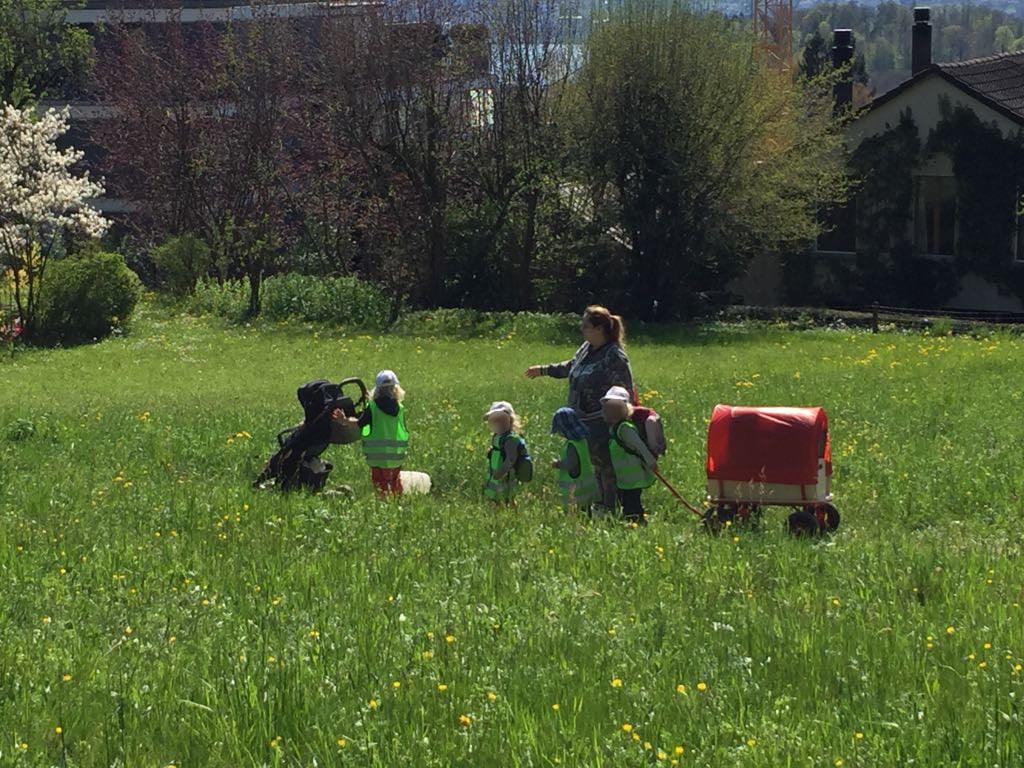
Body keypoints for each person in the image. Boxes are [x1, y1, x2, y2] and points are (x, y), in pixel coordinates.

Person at [525, 305, 635, 510]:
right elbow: (570, 367)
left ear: (599, 328)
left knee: (605, 467)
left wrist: (622, 420)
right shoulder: (586, 348)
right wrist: (543, 370)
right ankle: (592, 504)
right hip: (581, 420)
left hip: (602, 422)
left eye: (585, 326)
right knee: (590, 466)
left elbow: (627, 390)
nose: (581, 329)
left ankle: (611, 507)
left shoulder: (614, 356)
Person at [336, 370, 409, 497]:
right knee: (395, 482)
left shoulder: (373, 407)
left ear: (377, 389)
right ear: (396, 388)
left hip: (378, 457)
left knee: (380, 484)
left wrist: (344, 420)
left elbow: (359, 423)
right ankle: (397, 503)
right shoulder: (400, 408)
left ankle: (383, 503)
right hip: (396, 456)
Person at [601, 386, 656, 524]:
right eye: (609, 407)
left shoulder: (625, 429)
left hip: (633, 476)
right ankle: (631, 521)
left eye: (616, 407)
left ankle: (637, 522)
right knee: (626, 501)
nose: (611, 411)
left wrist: (651, 463)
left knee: (632, 502)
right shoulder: (614, 428)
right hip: (624, 477)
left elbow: (641, 447)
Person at [551, 407, 598, 514]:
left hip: (575, 489)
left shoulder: (571, 445)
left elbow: (572, 464)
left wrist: (558, 464)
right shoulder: (583, 441)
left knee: (576, 514)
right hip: (587, 485)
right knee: (587, 512)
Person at [483, 400, 524, 504]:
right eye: (495, 420)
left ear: (510, 420)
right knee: (495, 496)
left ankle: (510, 515)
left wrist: (501, 472)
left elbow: (511, 458)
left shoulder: (510, 439)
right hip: (495, 473)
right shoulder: (498, 436)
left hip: (506, 475)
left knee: (507, 498)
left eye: (501, 420)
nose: (498, 423)